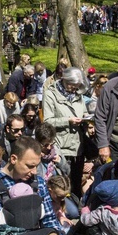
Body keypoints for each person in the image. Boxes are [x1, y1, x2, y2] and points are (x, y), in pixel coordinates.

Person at [0, 136, 64, 235]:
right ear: (13, 159)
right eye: (30, 166)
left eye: (36, 166)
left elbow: (50, 221)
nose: (35, 171)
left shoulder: (39, 183)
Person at [42, 67, 88, 196]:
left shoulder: (78, 94)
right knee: (64, 181)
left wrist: (87, 119)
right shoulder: (51, 93)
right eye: (71, 86)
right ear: (64, 80)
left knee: (77, 181)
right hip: (62, 144)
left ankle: (77, 206)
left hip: (78, 144)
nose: (74, 89)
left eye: (76, 86)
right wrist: (68, 120)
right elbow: (47, 120)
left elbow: (83, 111)